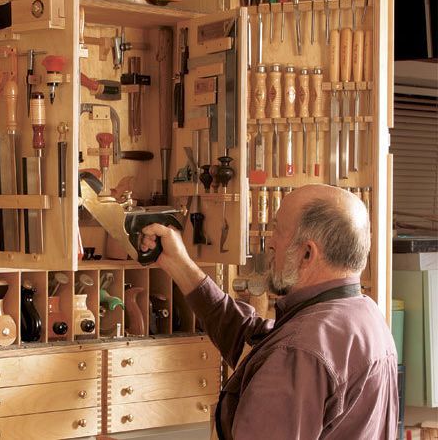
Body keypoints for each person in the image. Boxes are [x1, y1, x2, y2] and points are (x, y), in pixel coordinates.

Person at [140, 184, 399, 440]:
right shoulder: (363, 316)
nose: (270, 243)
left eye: (278, 230)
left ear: (307, 253)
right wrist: (180, 265)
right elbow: (256, 343)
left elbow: (285, 354)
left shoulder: (299, 351)